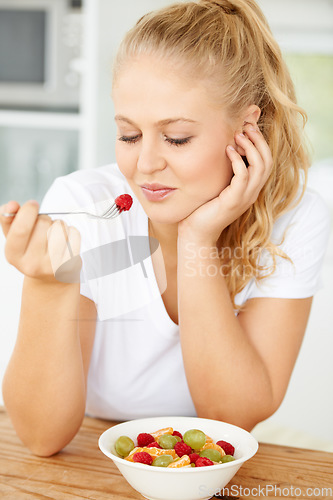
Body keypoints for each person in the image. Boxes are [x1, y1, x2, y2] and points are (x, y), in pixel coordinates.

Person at [0, 0, 330, 457]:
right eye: (128, 135)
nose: (145, 165)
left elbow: (231, 418)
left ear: (246, 128)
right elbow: (40, 437)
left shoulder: (294, 216)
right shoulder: (84, 205)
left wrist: (199, 238)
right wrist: (46, 284)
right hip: (98, 455)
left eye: (176, 137)